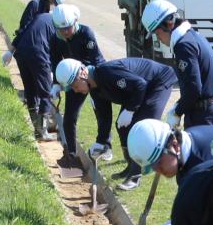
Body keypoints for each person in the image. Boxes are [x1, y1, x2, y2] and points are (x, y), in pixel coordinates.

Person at [55, 56, 176, 191]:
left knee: (142, 128)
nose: (76, 90)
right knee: (122, 127)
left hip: (157, 81)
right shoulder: (95, 89)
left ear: (83, 73)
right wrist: (101, 142)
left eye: (75, 85)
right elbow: (104, 116)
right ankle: (131, 166)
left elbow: (140, 84)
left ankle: (135, 176)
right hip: (136, 90)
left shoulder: (107, 73)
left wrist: (130, 110)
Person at [141, 0, 213, 128]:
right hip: (209, 112)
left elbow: (194, 89)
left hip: (204, 115)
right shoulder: (192, 36)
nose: (158, 38)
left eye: (157, 33)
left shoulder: (184, 46)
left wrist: (177, 112)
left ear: (168, 24)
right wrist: (178, 105)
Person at [47, 5, 106, 166]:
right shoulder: (55, 39)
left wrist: (92, 86)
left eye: (68, 27)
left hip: (94, 75)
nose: (65, 32)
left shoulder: (86, 33)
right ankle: (71, 155)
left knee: (101, 111)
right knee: (69, 117)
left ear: (75, 21)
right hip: (73, 79)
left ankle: (105, 145)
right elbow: (55, 62)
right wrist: (56, 84)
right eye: (61, 29)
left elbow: (95, 59)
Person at [10, 9, 59, 141]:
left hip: (21, 54)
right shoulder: (57, 25)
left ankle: (37, 128)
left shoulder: (41, 17)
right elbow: (57, 51)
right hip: (39, 55)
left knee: (30, 91)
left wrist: (10, 51)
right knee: (46, 93)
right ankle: (42, 131)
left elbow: (22, 31)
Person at [125, 119, 213, 182]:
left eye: (158, 163)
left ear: (175, 145)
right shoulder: (184, 151)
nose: (157, 170)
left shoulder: (205, 167)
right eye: (152, 167)